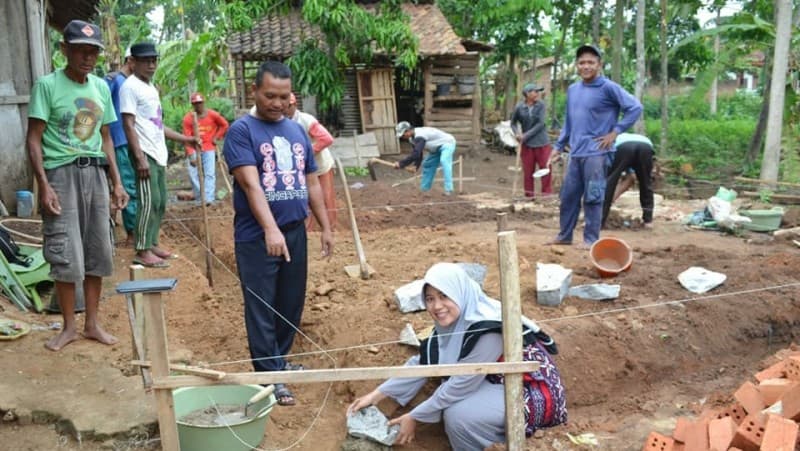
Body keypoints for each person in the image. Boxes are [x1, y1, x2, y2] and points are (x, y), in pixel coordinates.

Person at [347, 263, 567, 449]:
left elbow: (460, 385)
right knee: (453, 407)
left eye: (444, 296)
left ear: (460, 292)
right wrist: (376, 395)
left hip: (530, 389)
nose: (437, 306)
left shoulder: (487, 329)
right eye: (430, 298)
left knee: (458, 415)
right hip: (492, 381)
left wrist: (415, 416)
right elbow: (424, 363)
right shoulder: (452, 325)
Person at [223, 61, 334, 407]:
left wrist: (326, 226)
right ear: (254, 91)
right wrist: (270, 229)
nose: (276, 102)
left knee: (290, 302)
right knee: (261, 306)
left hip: (294, 232)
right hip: (257, 236)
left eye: (283, 96)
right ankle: (269, 376)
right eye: (270, 95)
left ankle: (279, 361)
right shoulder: (242, 131)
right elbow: (250, 185)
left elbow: (311, 180)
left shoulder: (297, 130)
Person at [26, 20, 129, 351]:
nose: (87, 57)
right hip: (61, 175)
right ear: (64, 50)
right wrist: (44, 184)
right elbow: (33, 139)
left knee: (98, 250)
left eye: (93, 52)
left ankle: (92, 324)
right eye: (80, 50)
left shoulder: (100, 87)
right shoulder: (47, 85)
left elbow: (107, 137)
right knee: (65, 252)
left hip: (95, 174)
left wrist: (116, 181)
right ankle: (69, 327)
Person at [548, 44, 642, 249]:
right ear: (576, 66)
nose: (586, 66)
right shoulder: (573, 90)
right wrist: (558, 147)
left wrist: (615, 131)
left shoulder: (608, 87)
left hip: (598, 153)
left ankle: (591, 240)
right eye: (582, 62)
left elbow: (635, 107)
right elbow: (569, 122)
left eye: (590, 62)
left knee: (593, 196)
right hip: (576, 152)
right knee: (568, 196)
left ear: (599, 65)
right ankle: (565, 235)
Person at [120, 42, 197, 268]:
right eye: (146, 61)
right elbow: (128, 124)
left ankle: (151, 242)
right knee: (148, 200)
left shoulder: (150, 88)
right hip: (144, 152)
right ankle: (141, 249)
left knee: (161, 200)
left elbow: (157, 125)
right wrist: (139, 157)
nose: (152, 65)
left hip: (158, 152)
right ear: (133, 62)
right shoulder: (130, 87)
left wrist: (186, 139)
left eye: (154, 60)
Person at [284, 93, 337, 230]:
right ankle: (308, 230)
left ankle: (329, 228)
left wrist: (307, 153)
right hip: (300, 169)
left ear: (294, 105)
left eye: (288, 105)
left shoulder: (306, 120)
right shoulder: (280, 122)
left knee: (325, 198)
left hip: (320, 166)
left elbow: (326, 139)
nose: (285, 108)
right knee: (304, 199)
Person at [105, 47, 138, 246]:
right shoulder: (113, 80)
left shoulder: (131, 83)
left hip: (129, 140)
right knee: (127, 186)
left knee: (133, 185)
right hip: (118, 140)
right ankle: (132, 233)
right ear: (130, 61)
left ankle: (135, 229)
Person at [181, 92, 229, 205]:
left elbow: (224, 125)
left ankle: (209, 199)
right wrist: (191, 154)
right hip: (194, 148)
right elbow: (186, 137)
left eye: (200, 103)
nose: (198, 106)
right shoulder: (188, 118)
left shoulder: (213, 115)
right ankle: (199, 198)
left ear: (203, 103)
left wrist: (216, 137)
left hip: (209, 148)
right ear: (192, 105)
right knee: (193, 173)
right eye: (195, 104)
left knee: (209, 174)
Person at [601, 133, 655, 229]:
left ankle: (600, 220)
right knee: (646, 183)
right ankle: (648, 221)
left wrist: (609, 199)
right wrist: (613, 198)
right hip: (646, 146)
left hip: (623, 147)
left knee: (611, 181)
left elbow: (610, 177)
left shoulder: (611, 141)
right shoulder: (630, 137)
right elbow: (631, 178)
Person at [510, 83, 552, 200]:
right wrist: (517, 134)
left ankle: (546, 195)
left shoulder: (541, 105)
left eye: (538, 91)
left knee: (545, 169)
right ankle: (529, 196)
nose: (537, 93)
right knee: (528, 171)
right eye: (535, 91)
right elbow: (513, 123)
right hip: (527, 145)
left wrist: (525, 135)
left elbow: (540, 124)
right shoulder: (519, 107)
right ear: (527, 94)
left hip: (542, 143)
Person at [394, 122, 457, 195]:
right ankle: (424, 189)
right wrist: (416, 166)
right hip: (436, 149)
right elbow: (418, 153)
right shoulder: (412, 139)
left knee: (444, 160)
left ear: (408, 130)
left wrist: (401, 164)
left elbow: (415, 154)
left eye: (403, 134)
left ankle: (449, 189)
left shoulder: (420, 135)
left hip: (447, 143)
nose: (403, 137)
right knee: (427, 164)